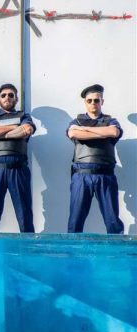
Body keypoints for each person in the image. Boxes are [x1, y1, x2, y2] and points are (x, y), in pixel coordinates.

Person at [67, 84, 124, 234]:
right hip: (81, 175)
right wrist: (101, 133)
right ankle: (72, 255)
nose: (93, 103)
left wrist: (86, 129)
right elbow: (74, 134)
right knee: (75, 220)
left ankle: (116, 255)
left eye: (96, 100)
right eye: (90, 100)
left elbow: (113, 131)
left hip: (105, 175)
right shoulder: (76, 122)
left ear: (102, 102)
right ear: (85, 102)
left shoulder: (111, 121)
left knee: (112, 221)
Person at [0, 83, 36, 233]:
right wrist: (14, 128)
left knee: (24, 214)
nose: (7, 97)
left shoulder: (24, 116)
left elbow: (26, 130)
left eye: (11, 95)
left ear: (16, 99)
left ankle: (28, 248)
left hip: (18, 171)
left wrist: (1, 133)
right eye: (3, 95)